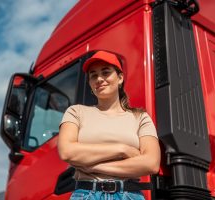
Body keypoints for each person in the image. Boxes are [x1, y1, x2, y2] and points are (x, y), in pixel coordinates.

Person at [57, 50, 161, 200]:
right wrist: (122, 149)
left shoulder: (140, 117)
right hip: (86, 195)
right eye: (93, 75)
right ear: (90, 84)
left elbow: (151, 163)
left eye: (105, 73)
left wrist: (92, 166)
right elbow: (67, 152)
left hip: (129, 195)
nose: (99, 79)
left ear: (120, 78)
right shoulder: (76, 112)